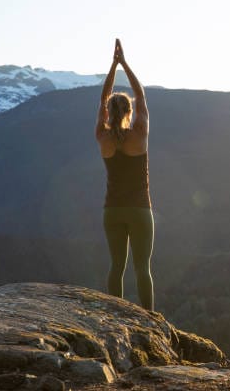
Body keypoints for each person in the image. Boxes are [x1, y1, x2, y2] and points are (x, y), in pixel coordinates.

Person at [95, 39, 154, 310]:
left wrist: (112, 66)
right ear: (130, 112)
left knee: (116, 267)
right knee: (143, 268)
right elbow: (140, 95)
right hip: (140, 209)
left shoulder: (103, 136)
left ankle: (115, 318)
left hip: (112, 210)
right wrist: (123, 64)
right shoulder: (139, 134)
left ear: (108, 113)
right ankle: (150, 319)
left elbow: (102, 99)